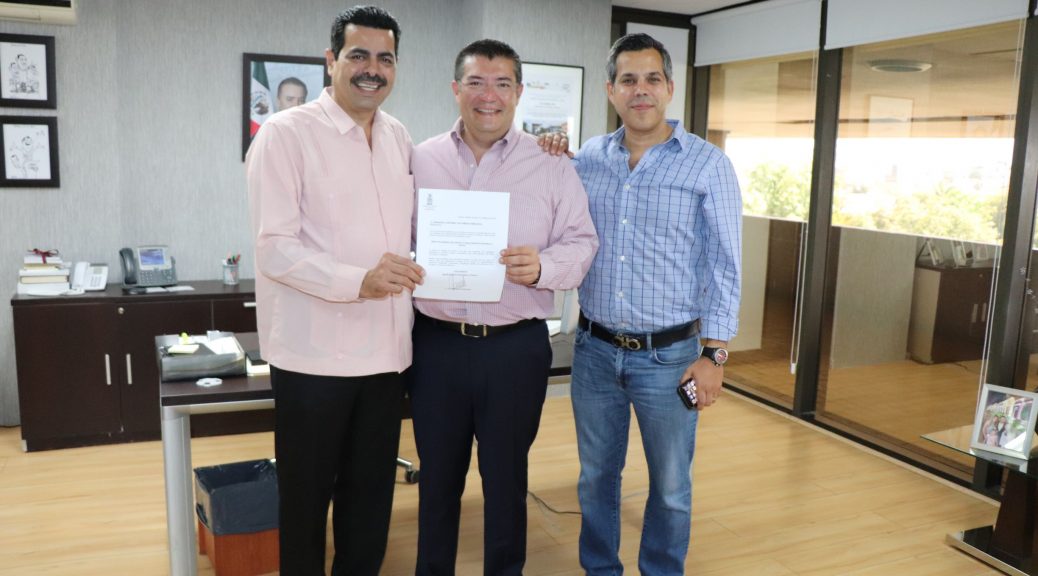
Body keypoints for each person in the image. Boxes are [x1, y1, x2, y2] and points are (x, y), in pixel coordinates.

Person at [245, 6, 424, 575]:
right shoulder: (285, 134)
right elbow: (274, 248)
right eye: (359, 55)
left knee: (369, 505)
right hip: (313, 359)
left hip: (386, 357)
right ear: (331, 60)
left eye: (385, 58)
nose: (373, 69)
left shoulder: (399, 137)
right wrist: (358, 281)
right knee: (305, 504)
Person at [409, 39, 598, 576]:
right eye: (475, 82)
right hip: (437, 346)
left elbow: (582, 241)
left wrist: (542, 267)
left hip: (516, 348)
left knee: (507, 479)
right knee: (437, 479)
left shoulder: (551, 163)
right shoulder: (420, 158)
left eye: (501, 84)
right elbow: (397, 235)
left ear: (518, 92)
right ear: (456, 89)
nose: (487, 95)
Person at [570, 33, 742, 575]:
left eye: (651, 79)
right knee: (595, 478)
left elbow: (725, 264)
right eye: (628, 80)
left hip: (669, 358)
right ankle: (601, 569)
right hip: (594, 351)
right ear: (611, 90)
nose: (639, 90)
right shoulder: (588, 159)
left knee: (670, 487)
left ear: (669, 87)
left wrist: (714, 355)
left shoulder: (707, 165)